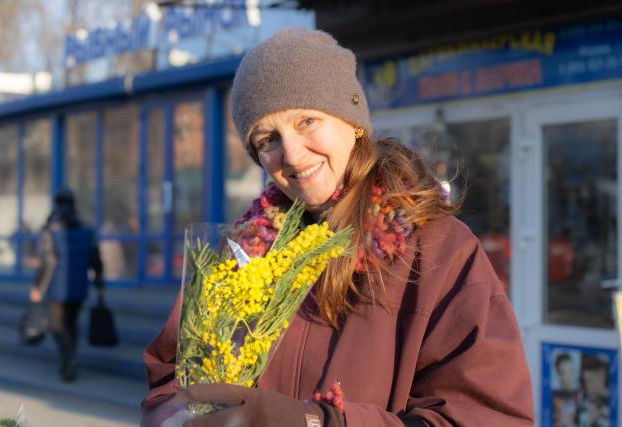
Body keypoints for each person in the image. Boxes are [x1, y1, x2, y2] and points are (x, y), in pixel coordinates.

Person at [141, 28, 534, 426]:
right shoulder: (240, 257)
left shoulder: (438, 252)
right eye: (267, 139)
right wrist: (177, 415)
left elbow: (486, 416)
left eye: (307, 120)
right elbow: (170, 377)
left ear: (353, 121)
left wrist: (318, 423)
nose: (292, 155)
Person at [29, 188, 104, 382]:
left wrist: (38, 287)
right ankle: (68, 360)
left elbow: (46, 261)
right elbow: (96, 259)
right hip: (79, 285)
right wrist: (99, 284)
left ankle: (69, 359)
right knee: (71, 323)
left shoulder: (51, 230)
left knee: (57, 325)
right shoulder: (85, 228)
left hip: (57, 287)